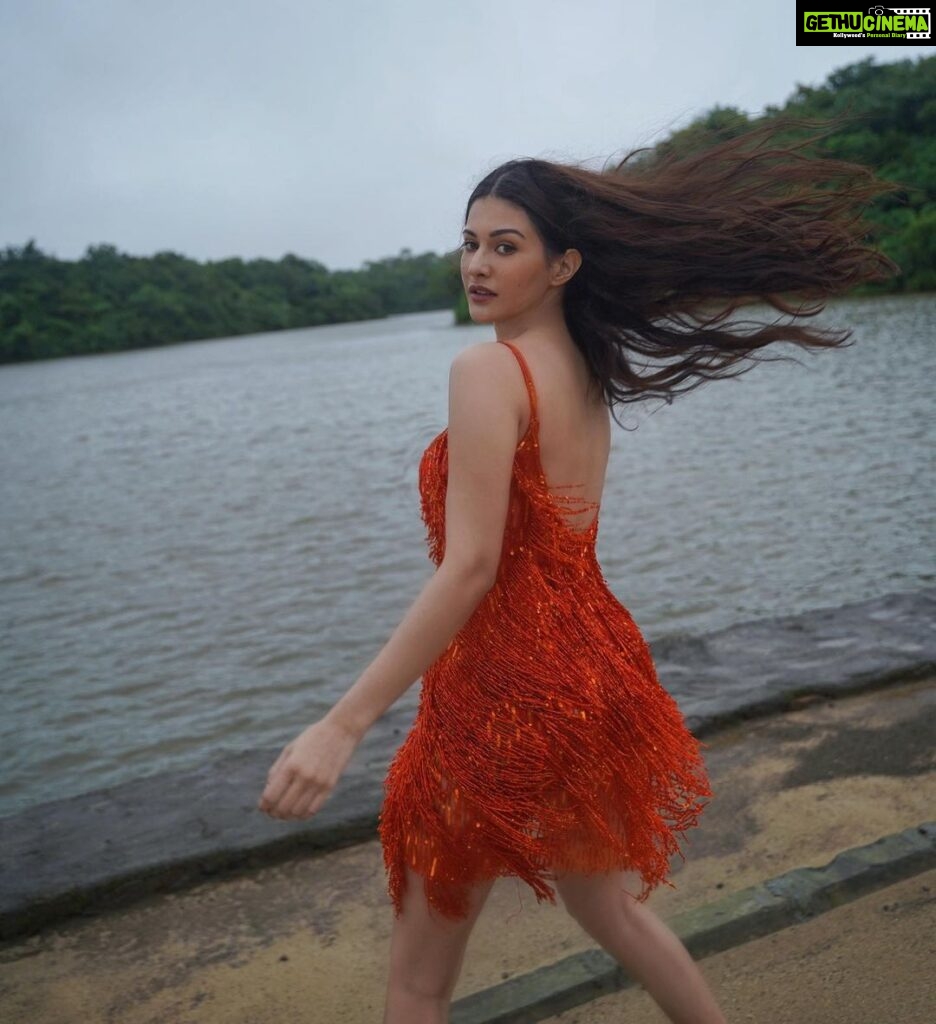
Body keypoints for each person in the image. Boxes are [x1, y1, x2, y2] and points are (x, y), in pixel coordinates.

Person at [257, 113, 899, 1024]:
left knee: (417, 983)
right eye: (470, 242)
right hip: (594, 674)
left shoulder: (491, 375)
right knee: (613, 911)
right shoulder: (585, 368)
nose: (476, 264)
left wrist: (342, 724)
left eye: (505, 246)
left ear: (563, 265)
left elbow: (473, 567)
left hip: (502, 690)